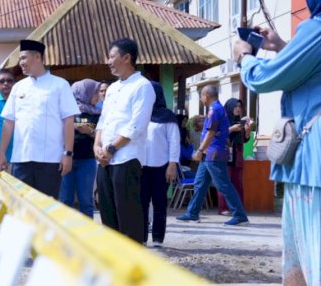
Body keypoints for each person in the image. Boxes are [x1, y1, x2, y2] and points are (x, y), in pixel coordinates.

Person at [233, 0, 321, 286]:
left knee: (311, 241)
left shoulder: (317, 29)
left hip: (313, 156)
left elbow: (266, 78)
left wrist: (245, 56)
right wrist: (282, 46)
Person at [0, 39, 79, 199]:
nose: (21, 63)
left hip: (50, 160)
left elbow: (68, 121)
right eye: (20, 59)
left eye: (23, 58)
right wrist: (1, 153)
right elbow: (9, 122)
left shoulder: (60, 85)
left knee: (46, 207)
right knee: (22, 206)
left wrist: (68, 153)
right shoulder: (18, 87)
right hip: (21, 158)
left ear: (37, 57)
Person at [93, 38, 156, 243]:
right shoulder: (112, 88)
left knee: (128, 215)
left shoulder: (142, 86)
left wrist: (111, 148)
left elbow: (136, 126)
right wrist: (97, 145)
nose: (108, 61)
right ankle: (112, 257)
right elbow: (103, 119)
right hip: (105, 159)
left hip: (126, 158)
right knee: (107, 214)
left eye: (112, 57)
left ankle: (133, 258)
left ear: (127, 58)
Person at [176, 85, 250, 226]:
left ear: (207, 96)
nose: (201, 99)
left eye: (201, 96)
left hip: (213, 153)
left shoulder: (214, 110)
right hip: (209, 154)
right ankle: (192, 213)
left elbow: (211, 133)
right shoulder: (218, 109)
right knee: (200, 183)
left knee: (223, 184)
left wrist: (199, 150)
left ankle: (240, 216)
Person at [141, 82, 180, 247]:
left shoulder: (167, 116)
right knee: (141, 203)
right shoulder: (139, 113)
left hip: (162, 166)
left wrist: (172, 164)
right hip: (140, 166)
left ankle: (157, 238)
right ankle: (141, 237)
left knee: (159, 203)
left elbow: (174, 141)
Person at [59, 79, 101, 217]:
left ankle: (87, 230)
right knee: (65, 200)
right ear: (85, 93)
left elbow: (101, 136)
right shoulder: (68, 111)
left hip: (87, 160)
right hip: (67, 159)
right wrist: (73, 126)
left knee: (86, 201)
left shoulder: (98, 113)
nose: (98, 96)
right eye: (96, 92)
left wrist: (89, 131)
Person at [218, 98, 251, 216]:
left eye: (239, 106)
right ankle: (223, 208)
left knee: (237, 181)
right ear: (230, 107)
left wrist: (247, 132)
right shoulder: (223, 120)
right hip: (225, 153)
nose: (238, 109)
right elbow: (217, 134)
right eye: (235, 106)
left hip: (237, 154)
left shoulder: (240, 121)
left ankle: (238, 207)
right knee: (224, 181)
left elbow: (244, 140)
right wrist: (231, 129)